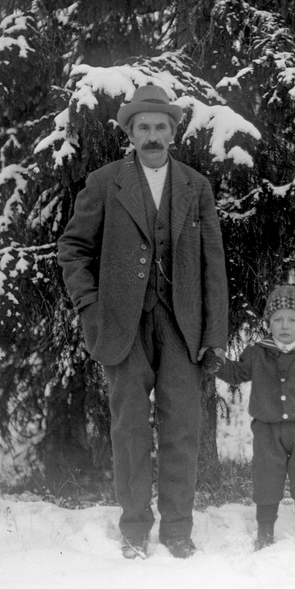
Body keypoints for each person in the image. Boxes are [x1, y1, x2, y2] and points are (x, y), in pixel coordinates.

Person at [58, 84, 228, 560]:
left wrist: (213, 334)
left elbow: (213, 263)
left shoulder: (196, 186)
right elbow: (73, 250)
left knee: (181, 429)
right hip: (122, 326)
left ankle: (177, 529)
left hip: (181, 326)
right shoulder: (104, 181)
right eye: (142, 128)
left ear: (174, 132)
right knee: (129, 429)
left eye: (160, 127)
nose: (152, 136)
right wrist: (90, 306)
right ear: (129, 133)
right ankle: (134, 528)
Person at [215, 285, 295, 550]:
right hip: (266, 429)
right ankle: (265, 531)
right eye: (278, 319)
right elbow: (237, 374)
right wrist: (217, 363)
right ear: (269, 321)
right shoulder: (257, 353)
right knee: (266, 477)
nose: (285, 326)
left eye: (292, 319)